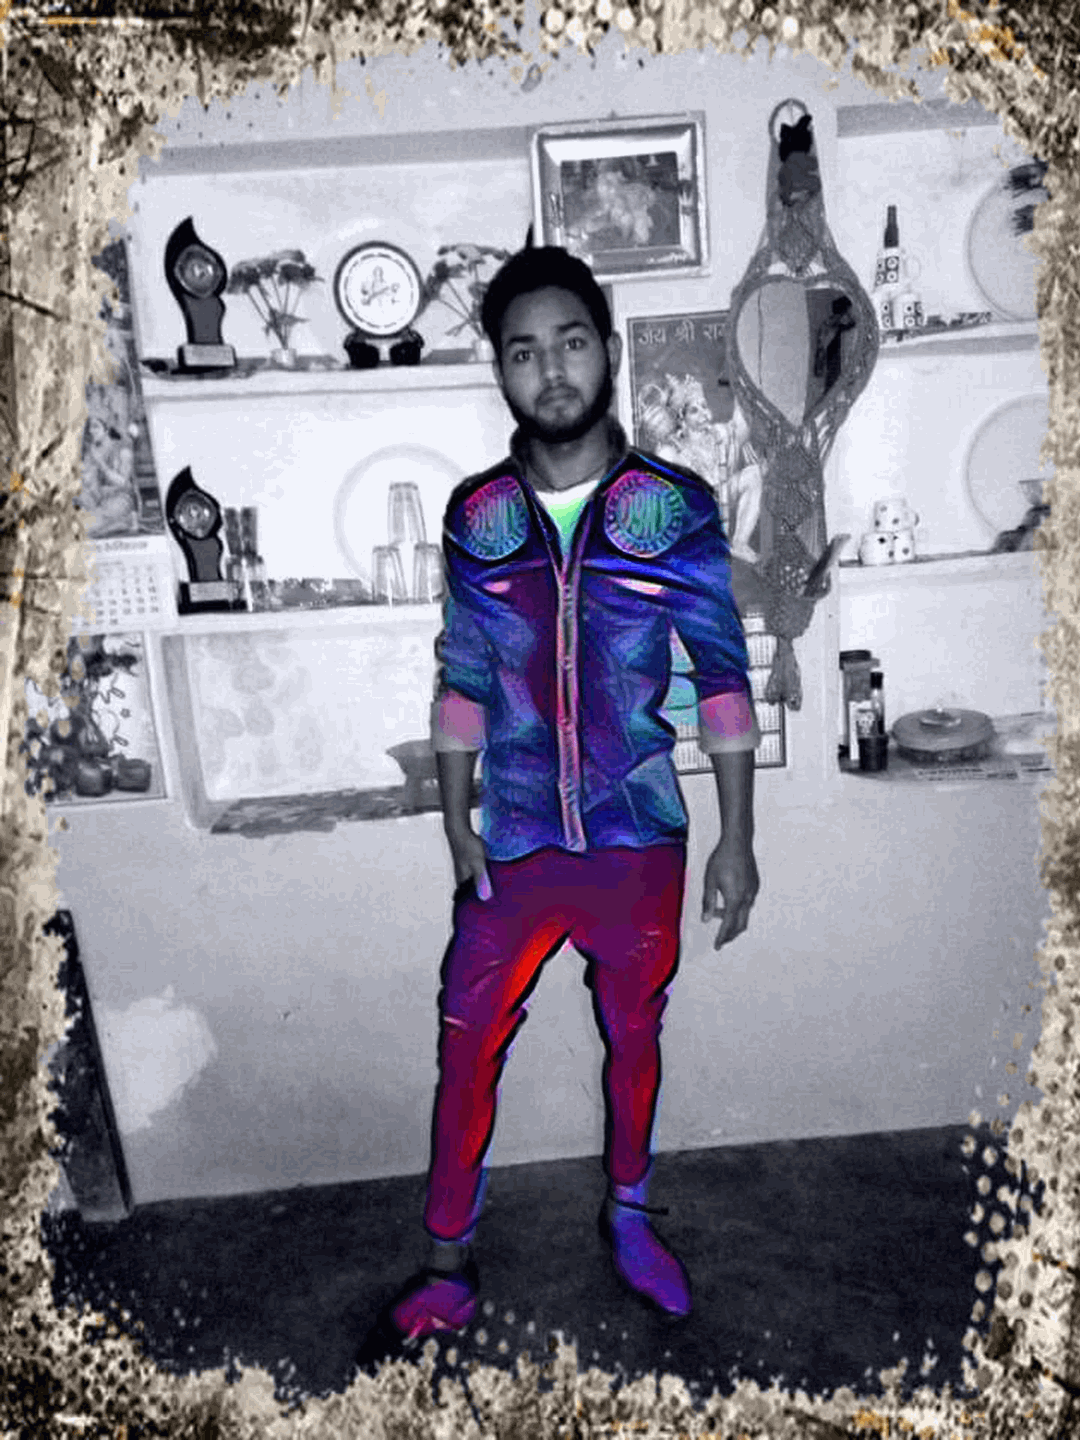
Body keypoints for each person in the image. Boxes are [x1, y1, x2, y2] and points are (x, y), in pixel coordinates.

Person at [359, 245, 760, 1366]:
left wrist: (737, 840)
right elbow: (462, 677)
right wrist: (456, 822)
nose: (552, 371)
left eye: (571, 342)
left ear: (608, 352)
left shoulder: (675, 509)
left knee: (634, 1036)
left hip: (640, 841)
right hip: (519, 841)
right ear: (501, 369)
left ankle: (629, 1219)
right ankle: (446, 1263)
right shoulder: (476, 515)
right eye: (524, 351)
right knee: (466, 1039)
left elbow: (722, 681)